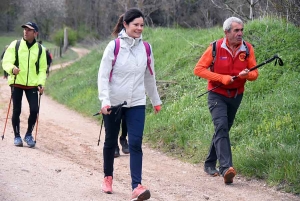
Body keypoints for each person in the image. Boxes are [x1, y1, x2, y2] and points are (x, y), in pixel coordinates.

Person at [97, 8, 162, 200]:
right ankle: (108, 178)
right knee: (110, 141)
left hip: (137, 103)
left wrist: (155, 100)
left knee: (135, 143)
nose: (139, 28)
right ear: (125, 25)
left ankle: (137, 186)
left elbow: (149, 76)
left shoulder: (146, 48)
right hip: (114, 103)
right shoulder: (114, 46)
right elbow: (102, 76)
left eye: (142, 25)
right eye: (136, 25)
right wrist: (105, 100)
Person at [194, 17, 258, 184]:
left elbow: (254, 73)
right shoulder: (215, 47)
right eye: (236, 30)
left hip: (236, 95)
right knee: (221, 126)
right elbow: (199, 69)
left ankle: (209, 163)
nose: (240, 33)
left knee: (223, 129)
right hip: (217, 95)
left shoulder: (247, 48)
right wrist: (221, 78)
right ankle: (226, 168)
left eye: (241, 30)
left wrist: (247, 75)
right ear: (226, 32)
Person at [2, 22, 47, 148]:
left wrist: (41, 83)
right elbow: (6, 61)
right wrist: (12, 69)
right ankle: (17, 136)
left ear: (35, 33)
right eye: (25, 29)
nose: (25, 32)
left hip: (32, 84)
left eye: (29, 30)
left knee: (34, 109)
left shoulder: (40, 49)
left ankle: (28, 135)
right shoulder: (15, 45)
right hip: (16, 82)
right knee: (17, 109)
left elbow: (42, 69)